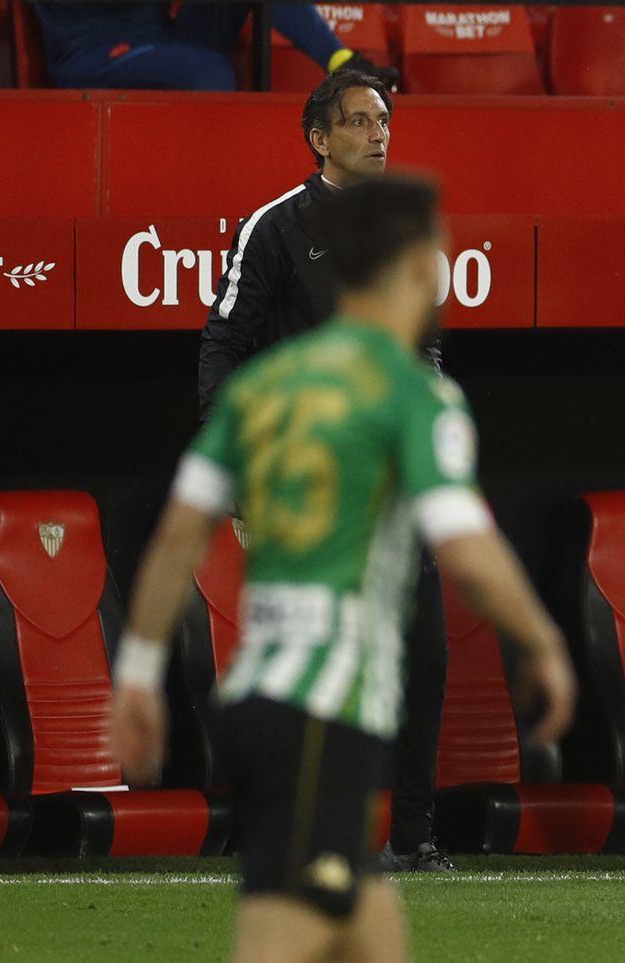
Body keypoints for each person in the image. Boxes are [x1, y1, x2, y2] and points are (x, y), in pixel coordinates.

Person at [110, 177, 576, 963]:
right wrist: (543, 643)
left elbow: (176, 541)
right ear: (416, 265)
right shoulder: (412, 395)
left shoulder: (260, 388)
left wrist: (139, 671)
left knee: (368, 928)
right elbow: (466, 546)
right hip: (324, 704)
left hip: (267, 695)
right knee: (282, 936)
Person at [198, 70, 452, 872]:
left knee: (424, 658)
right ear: (320, 138)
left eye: (384, 119)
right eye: (360, 121)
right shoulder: (275, 229)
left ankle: (412, 837)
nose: (380, 132)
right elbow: (222, 345)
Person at [35, 2, 396, 92]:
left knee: (204, 65)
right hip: (93, 53)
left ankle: (344, 63)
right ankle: (214, 182)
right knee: (209, 70)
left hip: (162, 41)